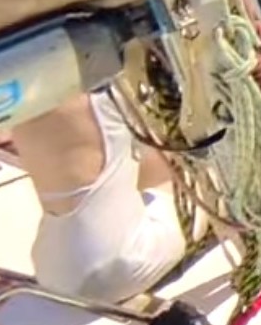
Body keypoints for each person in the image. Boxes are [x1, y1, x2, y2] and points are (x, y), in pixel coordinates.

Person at [10, 89, 187, 304]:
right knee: (177, 168)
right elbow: (156, 167)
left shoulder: (15, 90)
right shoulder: (110, 79)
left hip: (50, 270)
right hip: (125, 266)